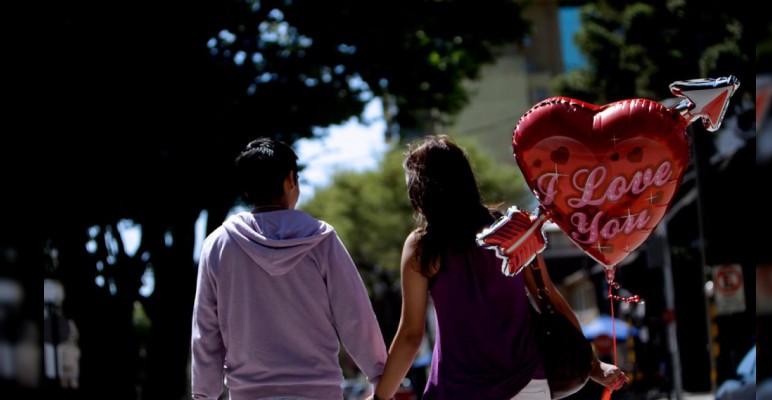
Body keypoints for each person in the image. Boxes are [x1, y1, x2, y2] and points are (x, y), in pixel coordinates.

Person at [370, 135, 627, 400]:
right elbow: (548, 297)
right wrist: (594, 365)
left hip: (460, 390)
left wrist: (380, 397)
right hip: (529, 385)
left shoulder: (423, 247)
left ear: (420, 190)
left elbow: (411, 336)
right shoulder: (515, 230)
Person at [191, 137, 387, 400]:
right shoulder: (321, 240)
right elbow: (355, 316)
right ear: (290, 180)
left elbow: (206, 332)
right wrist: (380, 377)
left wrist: (204, 394)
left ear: (246, 190)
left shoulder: (217, 245)